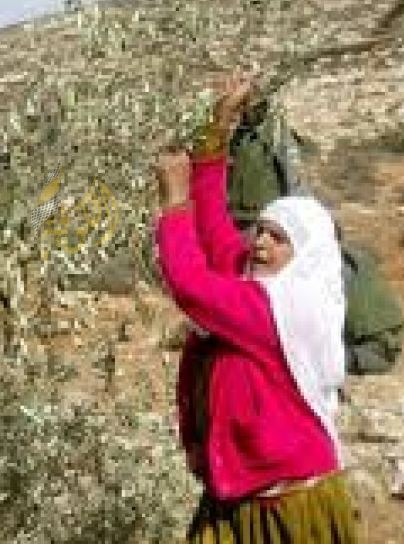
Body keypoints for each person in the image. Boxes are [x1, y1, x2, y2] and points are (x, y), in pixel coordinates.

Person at [153, 75, 358, 543]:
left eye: (278, 238)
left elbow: (190, 286)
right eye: (261, 230)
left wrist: (174, 203)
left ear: (305, 255)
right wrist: (217, 133)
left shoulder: (285, 307)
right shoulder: (258, 283)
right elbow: (215, 228)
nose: (260, 242)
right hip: (236, 496)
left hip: (291, 506)